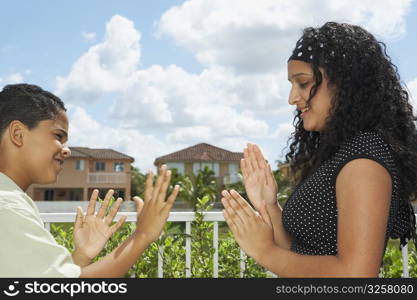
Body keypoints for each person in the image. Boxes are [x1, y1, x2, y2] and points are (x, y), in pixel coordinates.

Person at [221, 22, 417, 277]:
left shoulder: (365, 159)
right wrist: (269, 205)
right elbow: (303, 252)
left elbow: (355, 275)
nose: (292, 97)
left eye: (303, 83)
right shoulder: (342, 153)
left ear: (345, 84)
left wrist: (265, 252)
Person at [0, 83, 179, 277]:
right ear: (18, 134)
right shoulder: (7, 205)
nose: (67, 150)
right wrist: (142, 235)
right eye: (59, 135)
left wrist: (81, 257)